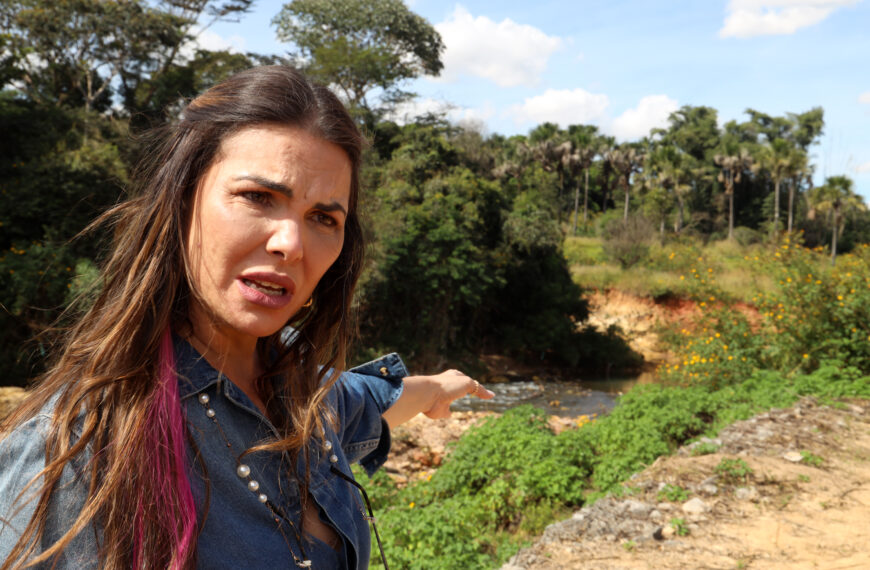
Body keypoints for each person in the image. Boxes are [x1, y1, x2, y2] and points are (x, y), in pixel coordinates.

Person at [0, 66, 493, 569]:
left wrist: (442, 387)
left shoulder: (303, 395)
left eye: (324, 218)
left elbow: (374, 398)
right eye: (258, 197)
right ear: (181, 199)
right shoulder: (80, 450)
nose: (291, 245)